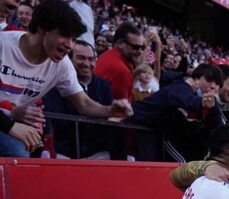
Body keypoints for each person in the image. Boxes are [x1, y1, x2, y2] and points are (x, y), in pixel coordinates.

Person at [0, 0, 131, 157]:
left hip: (10, 126)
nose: (69, 45)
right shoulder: (3, 45)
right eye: (64, 35)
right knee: (15, 151)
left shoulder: (62, 65)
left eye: (74, 39)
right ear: (42, 28)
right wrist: (10, 126)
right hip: (8, 127)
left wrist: (109, 110)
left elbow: (84, 104)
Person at [127, 63, 222, 162]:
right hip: (138, 125)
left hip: (154, 130)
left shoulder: (196, 95)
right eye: (209, 80)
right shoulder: (180, 88)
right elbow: (187, 99)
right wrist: (200, 102)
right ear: (196, 79)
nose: (213, 86)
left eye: (218, 84)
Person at [43, 40, 113, 160]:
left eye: (91, 59)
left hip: (97, 153)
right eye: (81, 58)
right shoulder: (55, 85)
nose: (86, 63)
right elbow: (56, 119)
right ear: (69, 60)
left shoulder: (104, 86)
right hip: (63, 153)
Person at [95, 22, 144, 101]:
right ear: (121, 43)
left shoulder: (108, 55)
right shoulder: (121, 71)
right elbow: (122, 110)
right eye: (136, 47)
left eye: (142, 47)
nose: (140, 52)